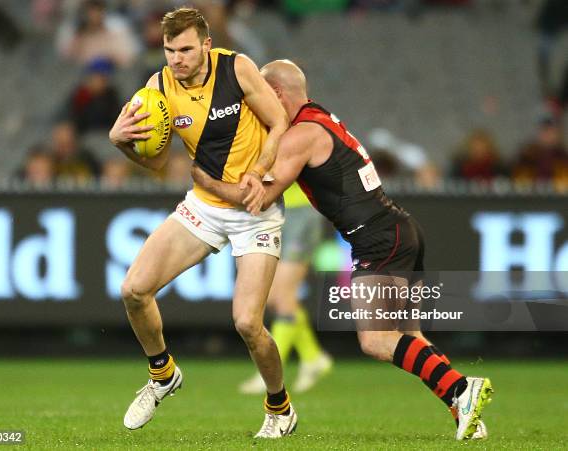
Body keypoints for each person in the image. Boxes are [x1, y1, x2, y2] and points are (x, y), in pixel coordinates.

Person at [192, 59, 493, 441]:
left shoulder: (299, 135)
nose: (254, 105)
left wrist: (206, 179)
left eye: (258, 96)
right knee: (409, 336)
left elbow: (261, 198)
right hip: (399, 230)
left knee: (376, 340)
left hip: (378, 239)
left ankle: (463, 390)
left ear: (276, 94)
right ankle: (465, 411)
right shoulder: (321, 120)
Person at [108, 8, 297, 438]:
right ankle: (163, 373)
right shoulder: (158, 89)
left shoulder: (238, 68)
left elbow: (279, 121)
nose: (177, 59)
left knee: (248, 324)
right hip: (205, 207)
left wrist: (261, 168)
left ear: (206, 45)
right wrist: (122, 144)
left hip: (255, 211)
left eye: (186, 49)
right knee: (133, 290)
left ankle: (280, 407)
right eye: (170, 50)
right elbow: (156, 163)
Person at [239, 182, 333, 394]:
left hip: (302, 212)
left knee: (283, 297)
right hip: (275, 213)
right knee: (275, 297)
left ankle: (269, 370)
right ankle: (313, 357)